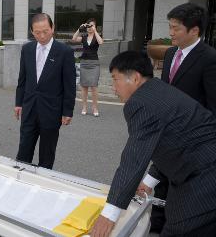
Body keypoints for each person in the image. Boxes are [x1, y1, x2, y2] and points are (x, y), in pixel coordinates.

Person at [91, 51, 216, 237]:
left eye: (115, 79)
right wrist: (149, 180)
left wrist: (109, 215)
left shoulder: (140, 103)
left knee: (178, 229)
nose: (113, 87)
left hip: (204, 176)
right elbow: (173, 139)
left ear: (134, 78)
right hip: (195, 167)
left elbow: (134, 159)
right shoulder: (158, 89)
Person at [138, 2, 216, 233]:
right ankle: (157, 224)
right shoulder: (171, 53)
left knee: (181, 191)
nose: (170, 33)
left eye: (176, 28)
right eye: (170, 27)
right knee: (161, 185)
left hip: (192, 141)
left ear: (194, 30)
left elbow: (212, 107)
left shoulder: (210, 58)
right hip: (167, 133)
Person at [15, 13, 76, 169]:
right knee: (24, 149)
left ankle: (43, 184)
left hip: (51, 110)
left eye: (46, 31)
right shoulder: (27, 49)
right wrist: (18, 103)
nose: (42, 36)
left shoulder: (64, 51)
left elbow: (69, 85)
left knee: (47, 153)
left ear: (52, 28)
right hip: (29, 108)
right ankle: (20, 179)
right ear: (31, 31)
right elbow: (22, 79)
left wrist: (67, 111)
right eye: (37, 32)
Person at [72, 18, 103, 116]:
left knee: (94, 86)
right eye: (88, 26)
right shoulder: (84, 37)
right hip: (84, 63)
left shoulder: (97, 37)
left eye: (92, 25)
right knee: (84, 87)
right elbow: (73, 39)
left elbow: (101, 42)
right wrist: (79, 28)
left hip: (94, 63)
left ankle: (95, 108)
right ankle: (84, 107)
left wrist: (95, 31)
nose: (89, 28)